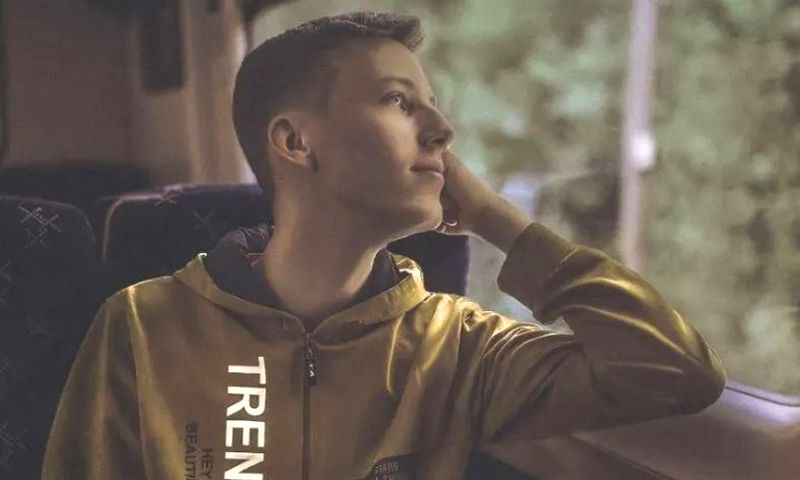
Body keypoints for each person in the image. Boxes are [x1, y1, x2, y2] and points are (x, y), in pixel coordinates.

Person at [41, 11, 726, 480]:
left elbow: (674, 371)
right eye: (399, 101)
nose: (442, 130)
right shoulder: (144, 326)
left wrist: (498, 220)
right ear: (295, 142)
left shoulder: (457, 346)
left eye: (433, 103)